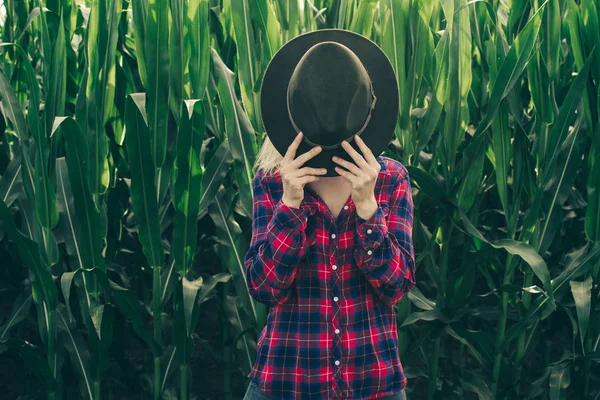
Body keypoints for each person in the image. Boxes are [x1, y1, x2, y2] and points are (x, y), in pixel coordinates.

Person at [243, 29, 416, 400]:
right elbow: (264, 287)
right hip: (287, 382)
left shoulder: (390, 180)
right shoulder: (273, 182)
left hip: (373, 383)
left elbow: (396, 287)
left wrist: (368, 209)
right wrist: (290, 205)